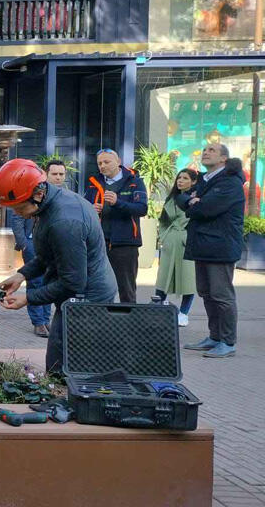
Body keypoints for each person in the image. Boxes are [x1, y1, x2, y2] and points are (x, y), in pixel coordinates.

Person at [0, 159, 117, 373]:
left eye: (18, 207)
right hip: (79, 296)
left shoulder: (64, 221)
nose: (16, 213)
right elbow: (47, 256)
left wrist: (28, 298)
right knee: (58, 360)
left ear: (38, 195)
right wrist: (21, 275)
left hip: (87, 301)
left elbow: (73, 282)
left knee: (71, 367)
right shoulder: (51, 203)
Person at [179, 144, 246, 358]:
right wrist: (193, 200)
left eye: (212, 150)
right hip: (204, 245)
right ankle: (214, 337)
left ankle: (228, 342)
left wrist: (195, 203)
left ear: (224, 159)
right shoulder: (206, 180)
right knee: (207, 293)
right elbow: (181, 197)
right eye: (205, 149)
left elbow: (205, 209)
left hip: (221, 247)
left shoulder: (229, 182)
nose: (206, 152)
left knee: (221, 295)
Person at [84, 148, 147, 303]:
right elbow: (83, 208)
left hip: (125, 244)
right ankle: (102, 322)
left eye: (106, 162)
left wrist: (118, 203)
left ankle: (128, 324)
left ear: (118, 162)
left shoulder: (135, 182)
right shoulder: (93, 184)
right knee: (99, 286)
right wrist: (91, 209)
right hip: (99, 243)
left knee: (126, 288)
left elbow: (142, 209)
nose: (102, 166)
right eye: (99, 163)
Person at [153, 169, 200, 327]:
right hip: (170, 241)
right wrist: (164, 237)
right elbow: (164, 221)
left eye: (185, 178)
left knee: (187, 278)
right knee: (164, 275)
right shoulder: (172, 198)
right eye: (179, 177)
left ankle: (184, 313)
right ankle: (159, 304)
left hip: (188, 243)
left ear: (193, 181)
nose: (180, 181)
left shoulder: (197, 198)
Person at [7, 206, 50, 337]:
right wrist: (23, 243)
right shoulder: (29, 194)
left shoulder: (53, 196)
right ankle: (38, 322)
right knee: (35, 282)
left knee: (48, 281)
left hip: (49, 242)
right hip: (31, 243)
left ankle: (46, 319)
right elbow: (17, 217)